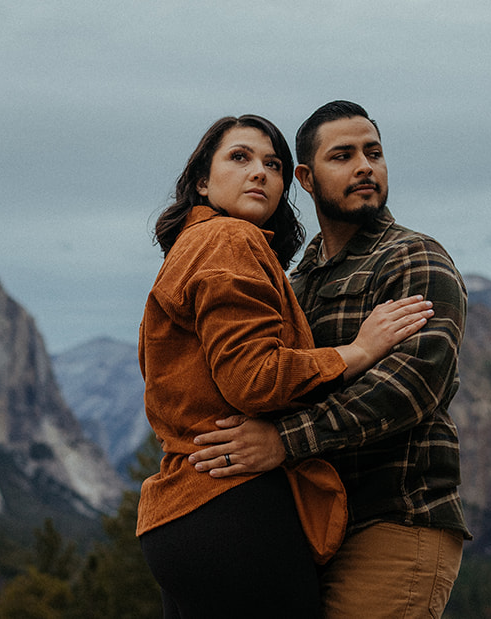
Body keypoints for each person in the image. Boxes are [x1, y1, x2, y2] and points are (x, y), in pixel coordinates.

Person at [136, 114, 435, 619]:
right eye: (240, 157)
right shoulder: (230, 239)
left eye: (271, 164)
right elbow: (253, 379)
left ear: (287, 182)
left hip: (179, 513)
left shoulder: (188, 249)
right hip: (235, 510)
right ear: (202, 182)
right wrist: (357, 352)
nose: (259, 173)